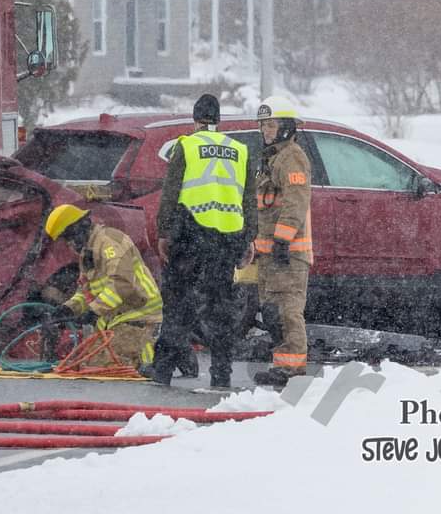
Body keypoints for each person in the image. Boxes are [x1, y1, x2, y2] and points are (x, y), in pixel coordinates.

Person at [142, 94, 256, 389]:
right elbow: (248, 199)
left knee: (178, 304)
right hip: (227, 240)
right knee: (221, 310)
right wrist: (249, 239)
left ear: (195, 120)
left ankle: (163, 370)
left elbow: (171, 192)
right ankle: (221, 374)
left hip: (192, 236)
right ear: (219, 121)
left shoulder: (188, 146)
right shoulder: (240, 150)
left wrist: (164, 233)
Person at [44, 205, 162, 369]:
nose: (69, 243)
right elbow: (86, 291)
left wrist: (93, 311)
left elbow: (122, 283)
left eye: (69, 236)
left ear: (81, 227)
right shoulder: (88, 251)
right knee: (91, 364)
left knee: (112, 364)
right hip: (115, 317)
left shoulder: (109, 241)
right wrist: (68, 309)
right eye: (65, 239)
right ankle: (170, 349)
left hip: (138, 312)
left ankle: (161, 350)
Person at [250, 96, 313, 387]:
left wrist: (282, 241)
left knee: (287, 311)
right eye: (263, 125)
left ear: (286, 127)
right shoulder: (271, 158)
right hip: (270, 256)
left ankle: (293, 370)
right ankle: (283, 364)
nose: (265, 130)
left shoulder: (292, 156)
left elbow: (296, 202)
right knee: (273, 312)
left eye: (271, 124)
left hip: (287, 254)